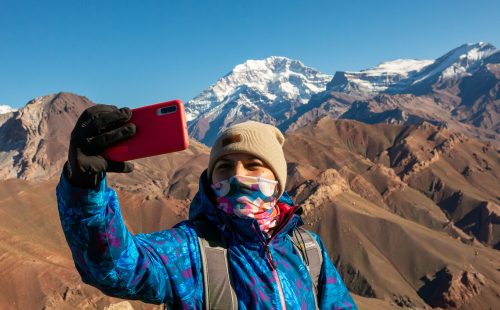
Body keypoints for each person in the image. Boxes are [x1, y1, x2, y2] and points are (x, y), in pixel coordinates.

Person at [56, 104, 357, 309]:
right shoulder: (188, 250)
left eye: (254, 166)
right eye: (225, 166)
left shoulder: (307, 249)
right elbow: (116, 268)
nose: (238, 176)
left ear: (277, 181)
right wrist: (84, 188)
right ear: (211, 178)